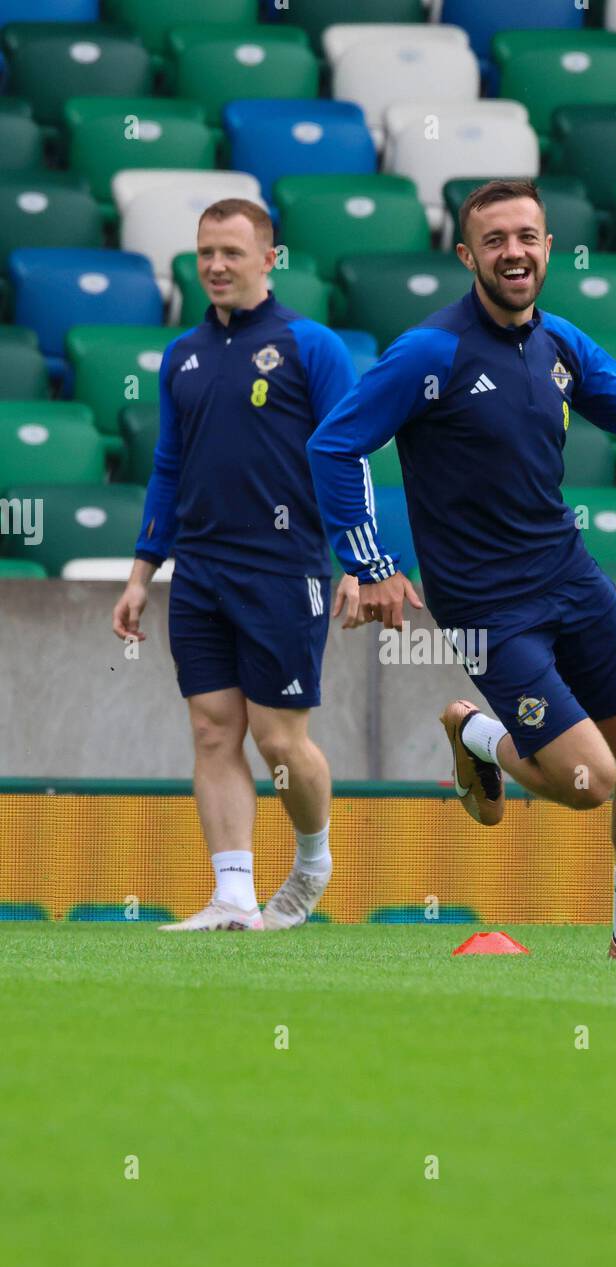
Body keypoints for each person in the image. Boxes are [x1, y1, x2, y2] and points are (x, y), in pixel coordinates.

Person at [306, 179, 616, 961]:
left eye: (527, 236)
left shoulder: (558, 342)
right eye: (495, 240)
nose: (514, 252)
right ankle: (478, 735)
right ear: (468, 255)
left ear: (549, 247)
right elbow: (334, 443)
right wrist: (370, 562)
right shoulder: (430, 352)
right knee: (590, 782)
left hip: (568, 573)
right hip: (486, 603)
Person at [112, 198, 368, 932]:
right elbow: (168, 466)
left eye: (230, 251)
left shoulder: (311, 346)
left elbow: (346, 454)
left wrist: (356, 558)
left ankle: (313, 859)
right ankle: (232, 897)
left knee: (278, 738)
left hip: (284, 568)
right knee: (212, 731)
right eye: (205, 254)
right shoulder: (182, 354)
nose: (216, 266)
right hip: (198, 571)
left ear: (269, 258)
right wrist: (141, 572)